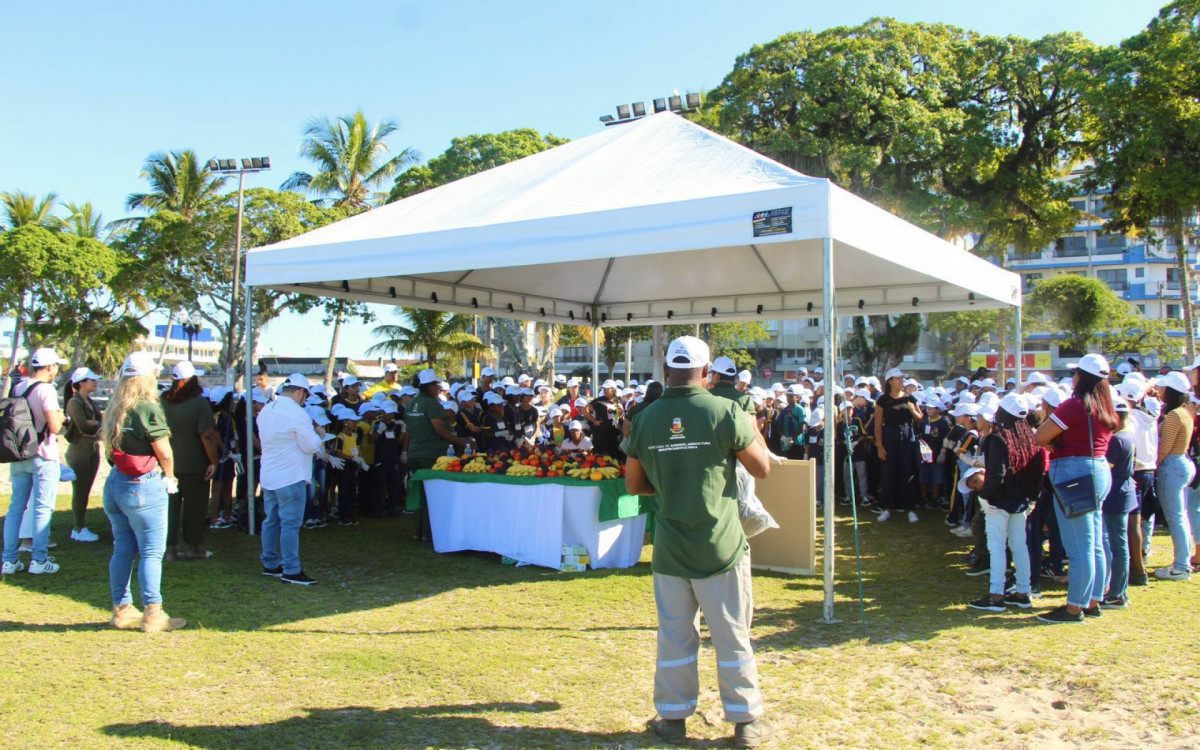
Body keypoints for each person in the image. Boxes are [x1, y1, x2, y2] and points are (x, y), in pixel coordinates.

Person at [625, 336, 773, 748]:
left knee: (674, 635)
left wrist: (672, 480)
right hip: (720, 545)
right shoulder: (726, 410)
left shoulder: (645, 418)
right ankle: (745, 723)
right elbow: (761, 470)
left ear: (666, 370)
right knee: (732, 635)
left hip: (671, 546)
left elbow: (635, 484)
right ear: (707, 373)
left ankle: (672, 719)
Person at [99, 351, 184, 631]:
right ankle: (153, 612)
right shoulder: (148, 407)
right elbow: (164, 452)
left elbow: (109, 451)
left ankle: (122, 609)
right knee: (150, 552)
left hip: (117, 481)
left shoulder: (115, 405)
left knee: (122, 548)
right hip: (143, 484)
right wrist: (170, 476)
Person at [1034, 354, 1118, 624]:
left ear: (1082, 378)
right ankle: (1092, 600)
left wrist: (1056, 443)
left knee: (1079, 545)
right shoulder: (1106, 407)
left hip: (1075, 473)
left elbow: (1040, 435)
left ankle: (1074, 607)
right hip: (1099, 469)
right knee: (1093, 542)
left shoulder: (1075, 405)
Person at [965, 394, 1044, 612]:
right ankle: (1023, 592)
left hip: (999, 501)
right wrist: (1033, 498)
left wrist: (984, 497)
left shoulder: (997, 439)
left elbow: (996, 476)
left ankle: (996, 595)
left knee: (997, 547)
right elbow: (1037, 472)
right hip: (1020, 501)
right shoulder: (1027, 437)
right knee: (1019, 546)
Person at [2, 348, 68, 576]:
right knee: (43, 508)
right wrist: (62, 416)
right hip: (42, 455)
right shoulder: (46, 390)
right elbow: (55, 426)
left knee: (16, 508)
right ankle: (39, 559)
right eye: (56, 366)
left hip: (19, 455)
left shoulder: (19, 386)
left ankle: (9, 559)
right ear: (49, 367)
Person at [257, 373, 324, 585]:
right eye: (305, 395)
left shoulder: (267, 409)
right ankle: (291, 569)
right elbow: (311, 446)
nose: (306, 400)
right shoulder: (298, 414)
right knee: (290, 524)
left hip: (269, 474)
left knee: (271, 520)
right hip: (291, 476)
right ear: (299, 392)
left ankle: (270, 563)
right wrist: (320, 435)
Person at [160, 361, 221, 561]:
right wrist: (213, 460)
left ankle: (169, 549)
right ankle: (192, 547)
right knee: (195, 507)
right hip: (195, 465)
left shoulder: (162, 402)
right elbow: (207, 435)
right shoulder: (199, 403)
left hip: (167, 463)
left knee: (169, 508)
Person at [406, 368, 475, 542]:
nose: (438, 387)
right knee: (433, 494)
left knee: (419, 492)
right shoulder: (431, 404)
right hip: (432, 454)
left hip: (415, 452)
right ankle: (429, 532)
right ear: (429, 386)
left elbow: (409, 430)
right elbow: (441, 431)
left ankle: (418, 531)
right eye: (436, 384)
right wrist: (464, 442)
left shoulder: (412, 403)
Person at [1150, 370, 1194, 581]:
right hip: (1181, 463)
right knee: (1180, 517)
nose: (1160, 390)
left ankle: (1181, 566)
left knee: (1176, 518)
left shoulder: (1175, 415)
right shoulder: (1185, 412)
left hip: (1173, 465)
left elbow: (1165, 447)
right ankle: (1182, 563)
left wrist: (1153, 465)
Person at [874, 367, 923, 523]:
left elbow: (919, 418)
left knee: (908, 471)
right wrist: (880, 446)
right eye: (898, 378)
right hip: (889, 435)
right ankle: (887, 508)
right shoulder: (882, 400)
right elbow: (878, 423)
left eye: (902, 378)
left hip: (907, 435)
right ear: (890, 381)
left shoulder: (909, 398)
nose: (901, 381)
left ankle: (910, 509)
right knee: (888, 472)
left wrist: (912, 410)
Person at [1101, 396, 1137, 608]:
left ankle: (1117, 593)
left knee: (1118, 545)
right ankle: (1118, 591)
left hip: (1116, 495)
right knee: (1119, 544)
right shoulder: (1127, 437)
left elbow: (1108, 468)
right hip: (1122, 493)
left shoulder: (1117, 440)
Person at [64, 366, 103, 543]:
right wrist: (94, 425)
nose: (95, 382)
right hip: (80, 450)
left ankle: (80, 526)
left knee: (85, 490)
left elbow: (99, 424)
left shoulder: (90, 402)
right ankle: (78, 527)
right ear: (81, 383)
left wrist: (93, 424)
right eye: (91, 380)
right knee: (80, 490)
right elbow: (83, 426)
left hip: (92, 449)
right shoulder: (74, 402)